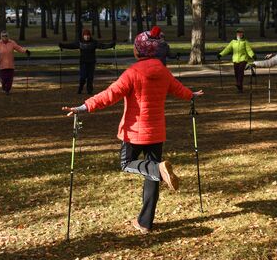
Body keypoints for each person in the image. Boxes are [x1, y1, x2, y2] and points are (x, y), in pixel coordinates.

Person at [62, 31, 204, 234]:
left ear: (140, 51)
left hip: (135, 132)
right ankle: (145, 222)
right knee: (153, 172)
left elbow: (109, 95)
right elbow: (178, 88)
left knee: (128, 164)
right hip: (156, 132)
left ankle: (157, 174)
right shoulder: (163, 71)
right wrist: (192, 95)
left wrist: (84, 107)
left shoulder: (133, 72)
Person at [59, 29, 115, 94]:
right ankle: (80, 88)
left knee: (90, 77)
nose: (87, 37)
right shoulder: (80, 42)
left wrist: (111, 45)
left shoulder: (94, 42)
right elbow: (71, 46)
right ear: (83, 36)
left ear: (90, 36)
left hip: (91, 62)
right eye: (85, 35)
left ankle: (89, 90)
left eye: (88, 35)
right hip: (83, 62)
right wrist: (62, 45)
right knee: (83, 76)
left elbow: (103, 46)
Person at [0, 31, 30, 95]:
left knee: (10, 79)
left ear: (8, 36)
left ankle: (7, 90)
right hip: (2, 65)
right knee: (4, 79)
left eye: (6, 36)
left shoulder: (12, 43)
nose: (4, 37)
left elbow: (19, 48)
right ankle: (4, 87)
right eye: (3, 36)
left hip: (10, 65)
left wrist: (26, 51)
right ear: (1, 37)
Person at [217, 28, 255, 92]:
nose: (240, 34)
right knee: (236, 73)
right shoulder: (233, 42)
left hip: (243, 59)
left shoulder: (245, 42)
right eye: (238, 32)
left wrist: (253, 55)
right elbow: (227, 49)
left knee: (240, 71)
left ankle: (239, 83)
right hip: (235, 60)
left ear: (243, 34)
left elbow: (249, 50)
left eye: (241, 32)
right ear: (236, 33)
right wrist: (221, 54)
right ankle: (240, 88)